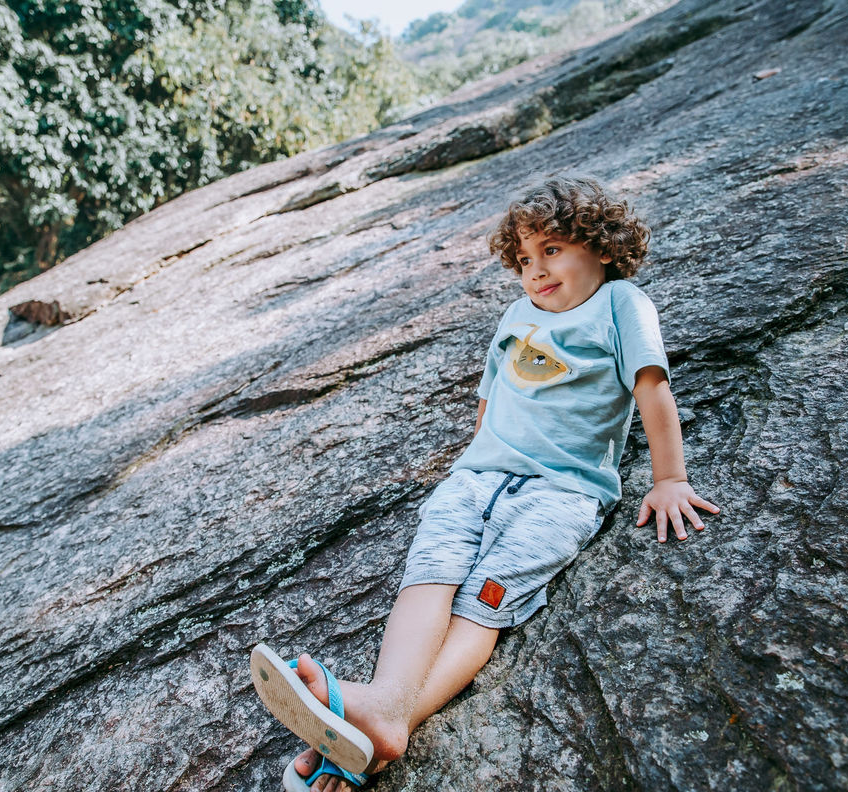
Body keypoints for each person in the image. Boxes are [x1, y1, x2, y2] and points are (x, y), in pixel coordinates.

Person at [251, 175, 720, 791]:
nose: (536, 270)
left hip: (563, 493)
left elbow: (652, 391)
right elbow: (489, 398)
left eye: (552, 250)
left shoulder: (621, 305)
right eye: (525, 259)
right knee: (430, 576)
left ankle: (383, 720)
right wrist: (474, 463)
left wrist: (669, 479)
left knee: (483, 606)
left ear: (602, 248)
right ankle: (380, 709)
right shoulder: (515, 315)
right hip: (477, 480)